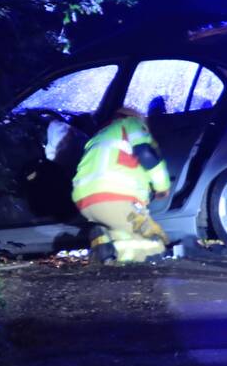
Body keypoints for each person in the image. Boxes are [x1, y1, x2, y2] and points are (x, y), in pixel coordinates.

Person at [72, 107, 171, 263]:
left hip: (86, 201)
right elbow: (145, 153)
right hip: (116, 197)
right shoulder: (132, 124)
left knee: (125, 237)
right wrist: (162, 186)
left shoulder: (98, 136)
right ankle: (109, 244)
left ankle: (106, 245)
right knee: (153, 241)